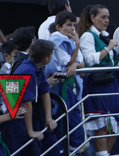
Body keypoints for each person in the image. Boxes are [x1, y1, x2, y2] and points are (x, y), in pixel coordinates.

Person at [78, 4, 119, 156]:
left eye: (108, 17)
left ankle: (105, 153)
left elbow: (109, 63)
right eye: (103, 17)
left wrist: (118, 56)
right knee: (101, 121)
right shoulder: (88, 35)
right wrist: (108, 48)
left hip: (111, 83)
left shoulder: (104, 36)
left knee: (115, 121)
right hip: (97, 84)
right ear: (93, 18)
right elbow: (89, 60)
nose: (107, 20)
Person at [5, 40, 59, 156]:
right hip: (18, 120)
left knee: (52, 148)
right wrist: (30, 131)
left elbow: (45, 91)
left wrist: (48, 118)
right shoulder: (26, 70)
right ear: (46, 59)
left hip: (35, 116)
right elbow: (26, 103)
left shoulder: (36, 67)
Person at [47, 11, 85, 151]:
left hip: (70, 85)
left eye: (74, 25)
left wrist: (75, 64)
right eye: (69, 25)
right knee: (64, 119)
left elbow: (81, 63)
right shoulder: (56, 40)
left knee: (74, 118)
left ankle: (74, 148)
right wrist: (77, 46)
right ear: (59, 27)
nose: (72, 28)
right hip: (59, 86)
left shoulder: (71, 40)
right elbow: (68, 62)